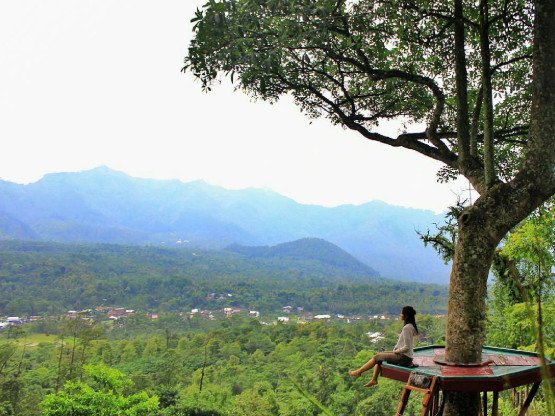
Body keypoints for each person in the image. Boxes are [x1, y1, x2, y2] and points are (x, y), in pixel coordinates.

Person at [349, 305, 419, 387]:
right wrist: (397, 349)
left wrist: (397, 351)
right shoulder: (411, 326)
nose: (400, 315)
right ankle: (374, 380)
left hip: (404, 357)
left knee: (377, 357)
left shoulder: (407, 328)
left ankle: (359, 372)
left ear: (406, 315)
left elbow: (407, 346)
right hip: (406, 356)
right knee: (380, 355)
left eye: (401, 313)